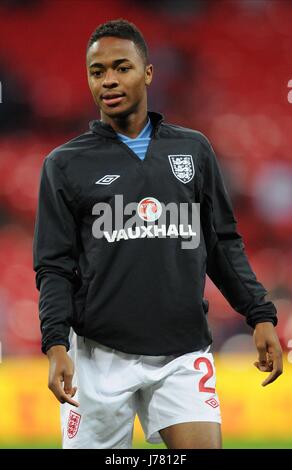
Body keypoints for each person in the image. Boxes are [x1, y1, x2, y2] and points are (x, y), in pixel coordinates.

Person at [33, 19, 283, 450]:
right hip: (97, 354)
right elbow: (54, 265)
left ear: (147, 72)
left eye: (121, 67)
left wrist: (259, 314)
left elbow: (222, 242)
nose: (109, 80)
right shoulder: (64, 164)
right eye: (97, 72)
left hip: (182, 350)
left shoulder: (193, 150)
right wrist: (56, 343)